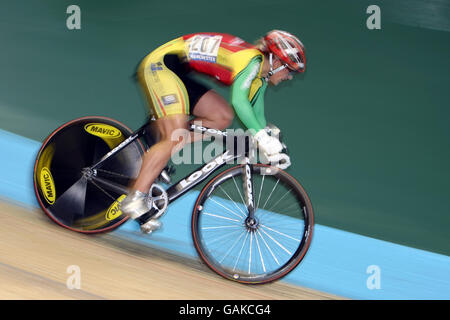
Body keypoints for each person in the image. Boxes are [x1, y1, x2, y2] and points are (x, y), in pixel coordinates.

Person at [121, 30, 306, 233]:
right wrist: (262, 137)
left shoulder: (259, 76)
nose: (289, 77)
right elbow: (239, 101)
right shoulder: (250, 60)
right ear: (277, 62)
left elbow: (255, 115)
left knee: (221, 117)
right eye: (290, 70)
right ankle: (135, 198)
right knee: (174, 134)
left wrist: (271, 143)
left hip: (178, 73)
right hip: (161, 66)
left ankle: (157, 154)